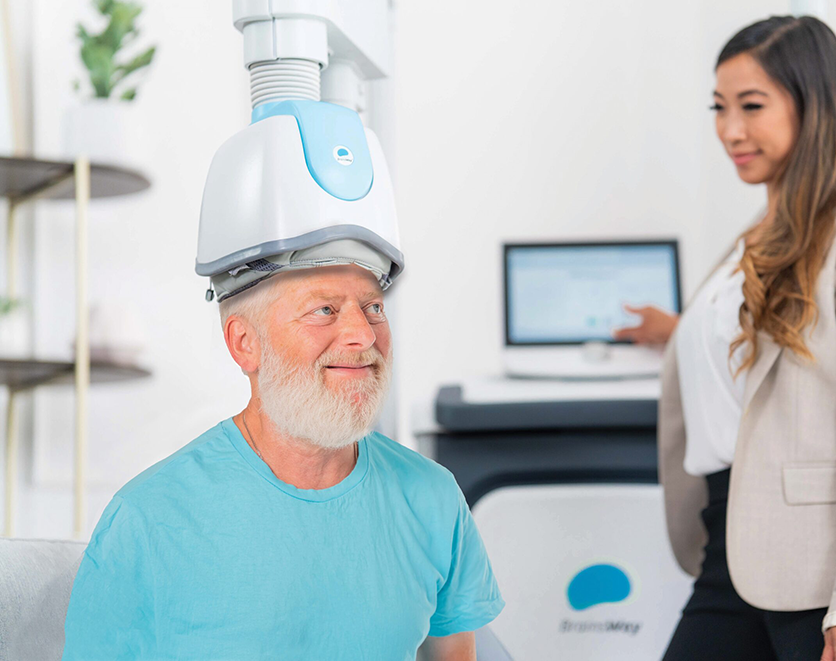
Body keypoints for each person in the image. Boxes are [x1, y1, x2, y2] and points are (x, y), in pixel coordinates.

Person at [618, 16, 836, 661]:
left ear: (813, 103)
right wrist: (680, 334)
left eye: (752, 106)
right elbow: (776, 357)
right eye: (720, 108)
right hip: (729, 545)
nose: (730, 130)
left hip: (822, 571)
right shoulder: (754, 240)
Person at [61, 250, 504, 660]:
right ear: (244, 343)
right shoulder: (148, 518)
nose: (363, 335)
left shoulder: (432, 497)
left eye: (374, 308)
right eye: (324, 310)